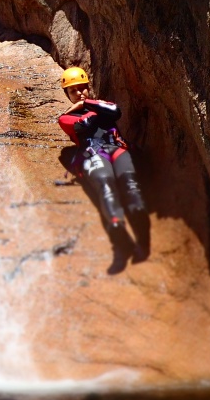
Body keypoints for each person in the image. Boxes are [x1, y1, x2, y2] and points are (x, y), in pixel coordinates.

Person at [56, 65, 150, 275]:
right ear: (67, 94)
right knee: (106, 186)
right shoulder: (65, 118)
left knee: (131, 190)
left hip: (117, 149)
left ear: (88, 87)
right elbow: (85, 124)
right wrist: (88, 109)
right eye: (73, 91)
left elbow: (115, 111)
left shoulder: (98, 104)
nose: (79, 92)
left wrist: (86, 102)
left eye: (82, 88)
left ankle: (143, 244)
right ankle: (121, 242)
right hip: (94, 154)